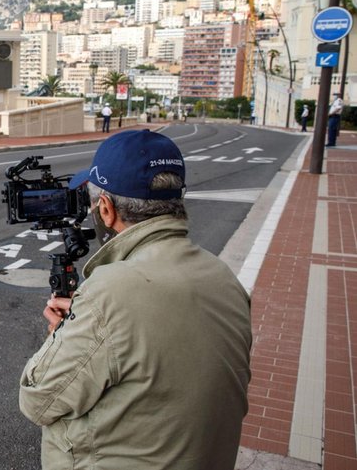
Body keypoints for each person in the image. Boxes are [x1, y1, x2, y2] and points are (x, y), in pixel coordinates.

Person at [19, 130, 252, 470]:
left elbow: (38, 401)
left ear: (106, 209)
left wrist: (63, 331)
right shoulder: (224, 277)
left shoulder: (110, 292)